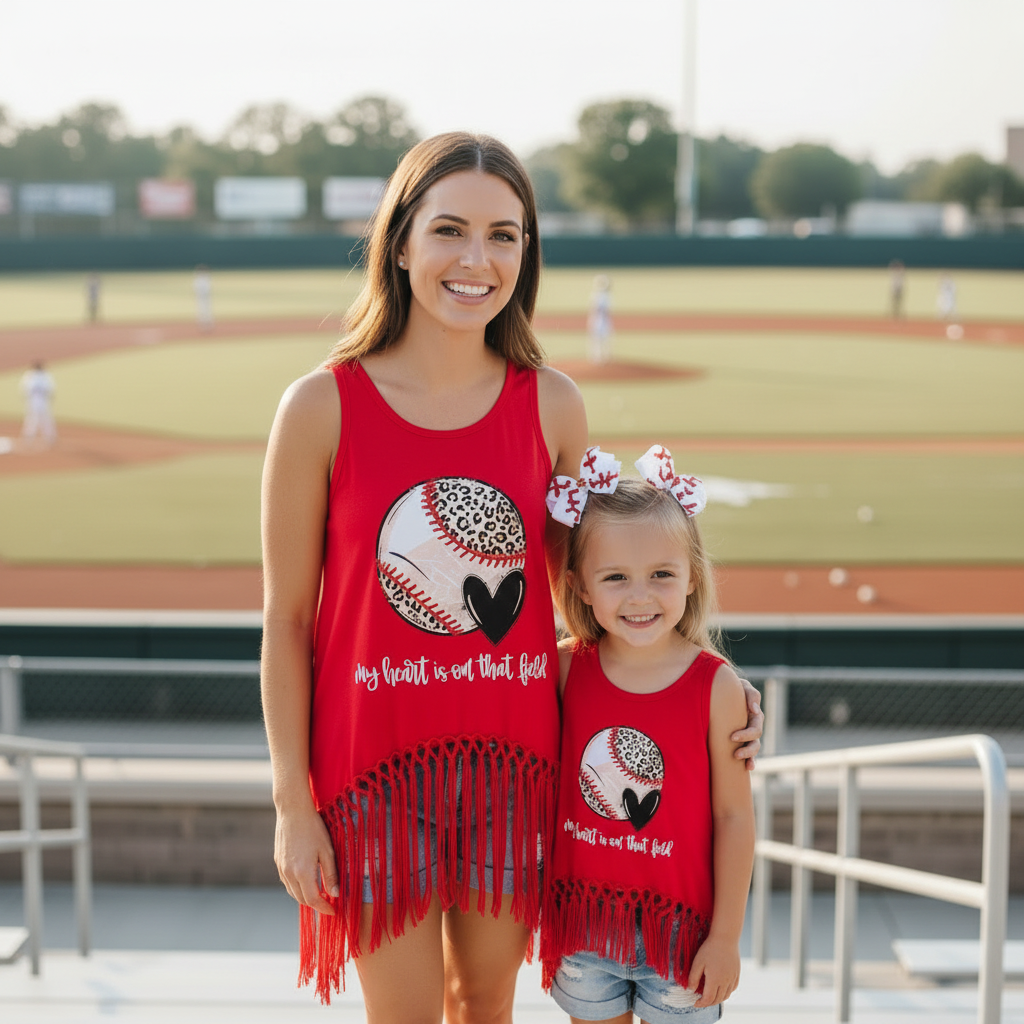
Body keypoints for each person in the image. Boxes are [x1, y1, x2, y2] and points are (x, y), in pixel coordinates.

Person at [260, 133, 763, 1024]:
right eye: (450, 230)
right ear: (401, 239)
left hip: (514, 771)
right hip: (373, 776)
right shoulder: (320, 406)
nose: (476, 259)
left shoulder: (553, 404)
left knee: (484, 1001)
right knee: (407, 1013)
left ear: (526, 253)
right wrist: (293, 805)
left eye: (505, 235)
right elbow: (287, 622)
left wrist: (709, 681)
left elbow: (603, 599)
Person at [541, 451, 755, 1024]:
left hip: (682, 936)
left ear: (691, 578)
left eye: (662, 574)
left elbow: (735, 817)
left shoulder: (716, 686)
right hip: (587, 927)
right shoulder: (562, 671)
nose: (640, 596)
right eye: (615, 577)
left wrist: (728, 937)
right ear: (581, 588)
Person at [20, 360, 56, 447]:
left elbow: (50, 388)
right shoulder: (31, 375)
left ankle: (49, 437)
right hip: (34, 399)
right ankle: (29, 437)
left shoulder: (44, 375)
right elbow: (25, 388)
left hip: (41, 399)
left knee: (44, 418)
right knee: (33, 418)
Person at [587, 274, 613, 364]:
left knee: (601, 338)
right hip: (599, 320)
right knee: (598, 338)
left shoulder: (600, 295)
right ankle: (597, 357)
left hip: (600, 320)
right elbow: (597, 309)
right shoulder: (600, 296)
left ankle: (602, 356)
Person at [193, 264, 214, 331]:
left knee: (205, 311)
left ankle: (206, 325)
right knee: (203, 311)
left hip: (204, 297)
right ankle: (204, 325)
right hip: (202, 297)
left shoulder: (202, 278)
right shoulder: (201, 279)